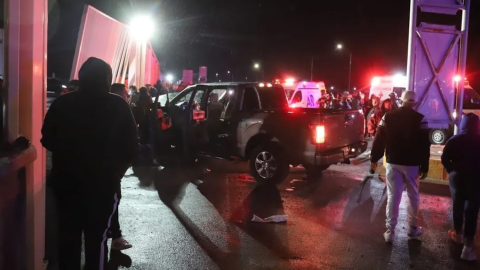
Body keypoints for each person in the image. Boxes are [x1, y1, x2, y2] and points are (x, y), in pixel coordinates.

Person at [41, 57, 138, 269]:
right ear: (106, 78)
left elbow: (46, 138)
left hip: (67, 185)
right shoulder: (118, 105)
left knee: (68, 240)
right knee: (97, 241)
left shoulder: (62, 103)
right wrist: (116, 173)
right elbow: (132, 146)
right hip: (103, 186)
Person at [370, 90, 431, 243]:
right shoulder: (421, 119)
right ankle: (412, 228)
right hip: (412, 164)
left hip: (392, 162)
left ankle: (390, 232)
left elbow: (379, 137)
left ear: (401, 100)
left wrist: (374, 157)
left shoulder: (388, 116)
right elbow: (425, 145)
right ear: (415, 103)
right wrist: (424, 165)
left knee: (393, 196)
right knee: (413, 195)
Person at [441, 113, 480, 261]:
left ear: (463, 124)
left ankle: (458, 234)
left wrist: (452, 170)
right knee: (472, 210)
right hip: (476, 178)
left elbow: (445, 158)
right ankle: (467, 248)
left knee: (458, 205)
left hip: (458, 178)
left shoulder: (454, 139)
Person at [108, 83, 134, 251]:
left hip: (83, 168)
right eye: (125, 93)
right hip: (109, 168)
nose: (127, 95)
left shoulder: (68, 103)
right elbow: (131, 141)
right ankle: (115, 235)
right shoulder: (120, 107)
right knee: (112, 199)